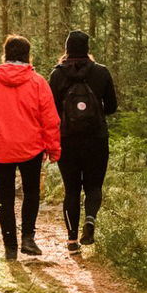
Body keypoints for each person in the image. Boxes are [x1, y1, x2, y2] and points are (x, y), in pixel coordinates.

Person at [0, 35, 62, 260]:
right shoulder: (38, 82)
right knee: (31, 192)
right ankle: (28, 238)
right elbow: (50, 119)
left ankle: (10, 246)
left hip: (0, 148)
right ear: (28, 55)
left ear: (6, 54)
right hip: (31, 147)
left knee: (5, 196)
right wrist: (54, 148)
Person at [47, 30, 118, 253]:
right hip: (96, 140)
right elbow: (113, 107)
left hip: (67, 140)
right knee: (93, 186)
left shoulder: (57, 75)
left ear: (67, 49)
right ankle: (90, 219)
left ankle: (71, 241)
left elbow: (51, 111)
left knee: (71, 190)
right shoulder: (101, 72)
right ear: (87, 49)